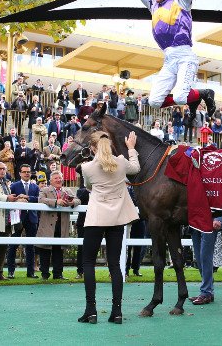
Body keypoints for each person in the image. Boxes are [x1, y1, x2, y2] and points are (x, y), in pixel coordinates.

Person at [130, 0, 216, 122]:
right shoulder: (153, 4)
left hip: (185, 56)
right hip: (168, 60)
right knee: (153, 101)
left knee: (179, 97)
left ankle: (204, 93)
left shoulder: (182, 0)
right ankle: (195, 96)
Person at [78, 130, 140, 324]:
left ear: (92, 148)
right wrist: (131, 148)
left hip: (96, 218)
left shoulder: (87, 167)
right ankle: (117, 311)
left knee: (88, 262)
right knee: (114, 264)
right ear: (110, 144)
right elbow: (136, 168)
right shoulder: (121, 162)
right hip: (116, 219)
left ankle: (91, 310)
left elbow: (88, 187)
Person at [36, 171, 80, 280]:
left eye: (60, 178)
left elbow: (78, 200)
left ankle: (58, 274)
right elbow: (41, 200)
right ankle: (45, 274)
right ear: (51, 181)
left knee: (59, 250)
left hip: (62, 225)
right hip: (48, 225)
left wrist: (72, 203)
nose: (58, 180)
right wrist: (56, 201)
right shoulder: (45, 190)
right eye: (56, 178)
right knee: (45, 250)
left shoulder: (68, 191)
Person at [7, 164, 41, 279]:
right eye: (24, 171)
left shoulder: (35, 187)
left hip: (32, 218)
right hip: (17, 218)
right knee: (13, 245)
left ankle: (30, 272)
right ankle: (11, 271)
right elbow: (10, 199)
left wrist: (27, 197)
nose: (26, 173)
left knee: (30, 246)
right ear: (20, 173)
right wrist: (18, 199)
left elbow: (38, 199)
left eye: (28, 172)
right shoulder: (14, 186)